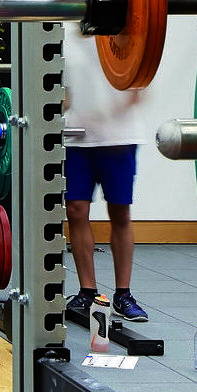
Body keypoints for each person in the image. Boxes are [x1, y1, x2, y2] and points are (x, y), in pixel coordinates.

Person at [64, 16, 150, 324]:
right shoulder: (65, 44)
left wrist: (115, 110)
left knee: (120, 213)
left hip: (119, 138)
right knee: (75, 210)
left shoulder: (124, 42)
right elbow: (65, 96)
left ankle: (123, 295)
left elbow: (141, 86)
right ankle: (88, 292)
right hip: (77, 139)